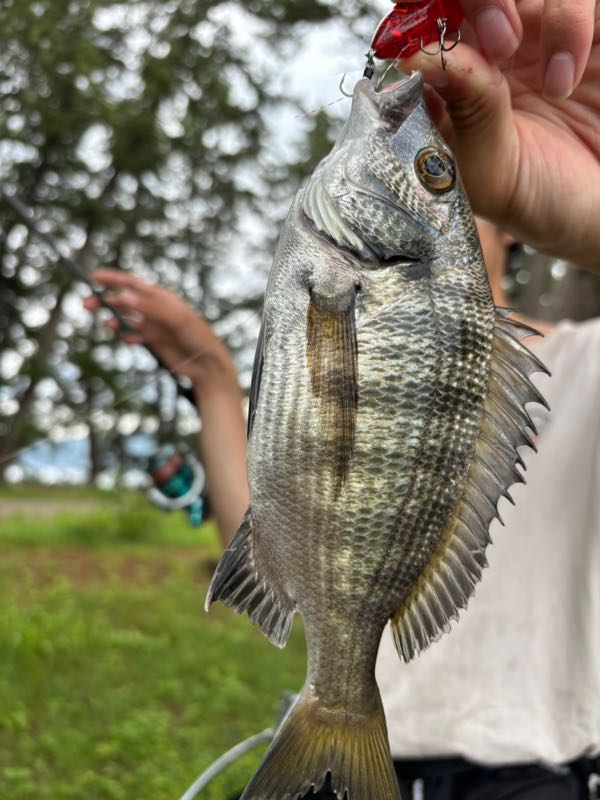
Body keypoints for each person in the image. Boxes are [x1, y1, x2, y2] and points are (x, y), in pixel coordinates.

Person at [84, 2, 600, 796]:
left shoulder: (585, 363)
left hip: (525, 777)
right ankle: (337, 704)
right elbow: (279, 524)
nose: (439, 139)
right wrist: (213, 371)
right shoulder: (338, 282)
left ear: (505, 226)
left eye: (442, 172)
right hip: (358, 751)